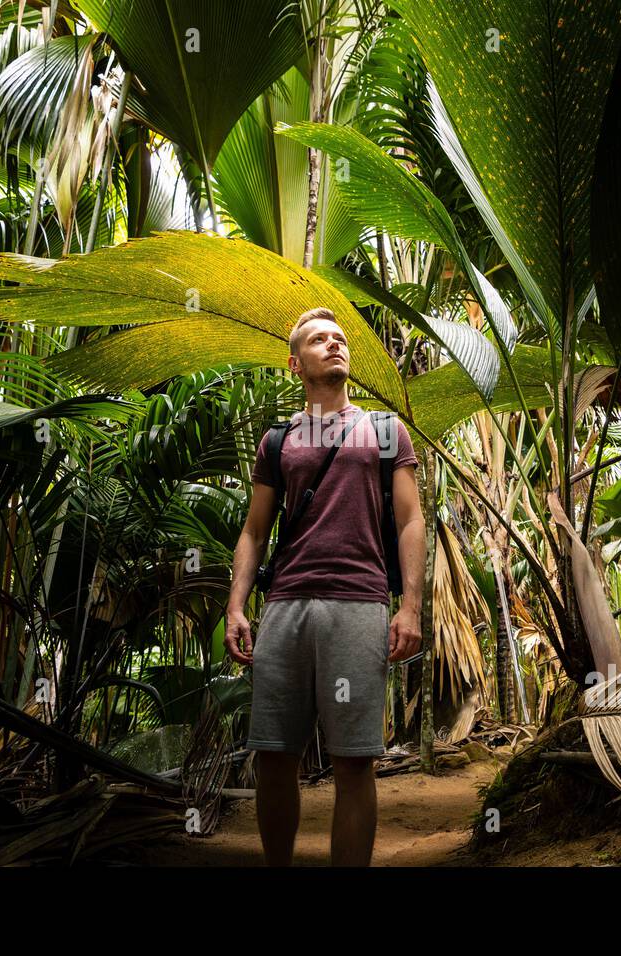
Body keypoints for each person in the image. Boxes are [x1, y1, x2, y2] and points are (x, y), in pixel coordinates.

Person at [224, 306, 425, 866]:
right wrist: (236, 607)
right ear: (295, 362)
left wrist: (409, 607)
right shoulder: (278, 440)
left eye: (340, 338)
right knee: (273, 754)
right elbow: (254, 529)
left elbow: (411, 520)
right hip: (285, 606)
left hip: (358, 603)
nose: (335, 344)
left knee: (354, 759)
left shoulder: (384, 430)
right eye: (319, 339)